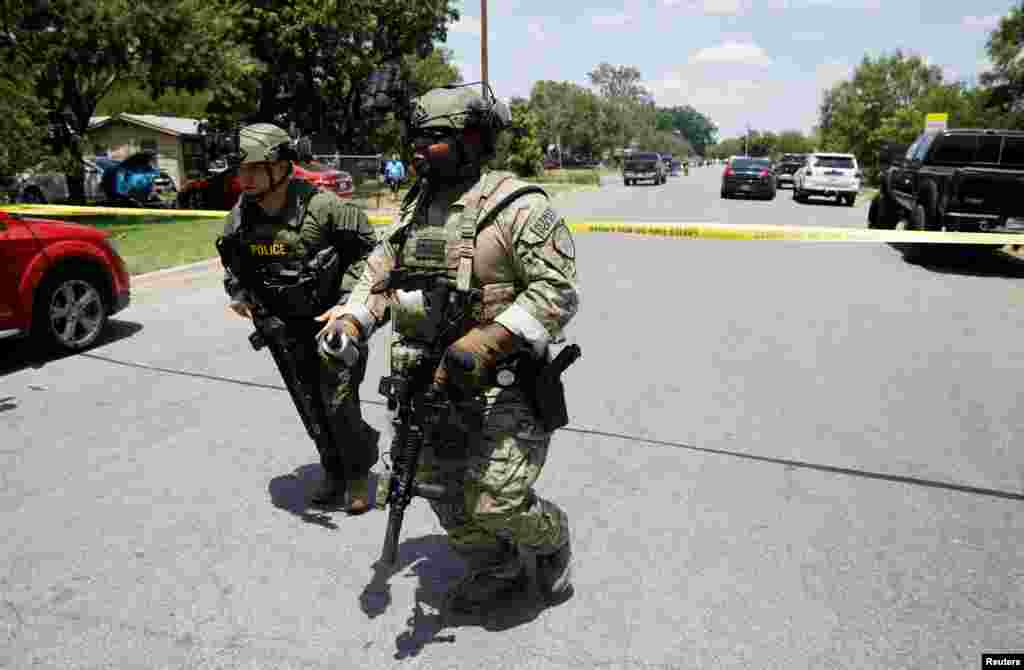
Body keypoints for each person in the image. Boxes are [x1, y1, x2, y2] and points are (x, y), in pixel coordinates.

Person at [317, 85, 580, 613]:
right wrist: (351, 318)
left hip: (506, 388)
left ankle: (551, 542)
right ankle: (497, 566)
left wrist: (487, 341)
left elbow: (556, 292)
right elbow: (379, 275)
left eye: (433, 138)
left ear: (472, 141)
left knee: (494, 499)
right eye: (414, 138)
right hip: (429, 387)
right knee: (436, 488)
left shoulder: (519, 206)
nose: (417, 149)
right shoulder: (417, 208)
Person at [221, 122, 382, 514]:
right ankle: (333, 468)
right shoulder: (242, 215)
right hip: (283, 327)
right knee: (309, 403)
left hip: (333, 326)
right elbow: (232, 259)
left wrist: (347, 304)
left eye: (254, 169)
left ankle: (358, 473)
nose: (245, 178)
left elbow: (370, 255)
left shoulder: (325, 207)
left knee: (339, 402)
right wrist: (239, 292)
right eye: (242, 170)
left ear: (281, 166)